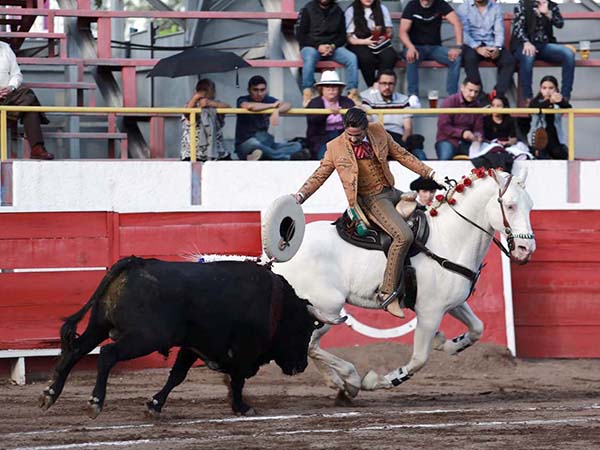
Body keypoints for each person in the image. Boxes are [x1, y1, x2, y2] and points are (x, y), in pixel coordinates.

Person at [293, 107, 446, 314]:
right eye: (350, 135)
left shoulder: (379, 132)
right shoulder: (335, 147)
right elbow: (319, 175)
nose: (354, 140)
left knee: (426, 217)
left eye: (358, 135)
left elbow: (402, 155)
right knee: (403, 235)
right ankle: (387, 291)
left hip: (392, 191)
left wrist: (430, 173)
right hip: (369, 199)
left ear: (366, 128)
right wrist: (300, 196)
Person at [296, 0, 361, 106]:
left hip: (332, 47)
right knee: (310, 58)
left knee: (352, 58)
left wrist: (332, 46)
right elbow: (300, 35)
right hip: (312, 46)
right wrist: (318, 46)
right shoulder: (307, 9)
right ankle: (308, 92)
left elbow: (342, 36)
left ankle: (352, 92)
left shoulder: (338, 11)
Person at [511, 0, 574, 105]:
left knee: (568, 54)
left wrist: (547, 13)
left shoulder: (551, 5)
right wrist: (526, 42)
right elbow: (518, 28)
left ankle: (564, 97)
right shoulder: (523, 4)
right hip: (524, 45)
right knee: (528, 55)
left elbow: (560, 23)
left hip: (544, 45)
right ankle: (528, 99)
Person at [400, 0, 463, 100]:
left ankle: (452, 97)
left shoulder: (440, 3)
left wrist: (458, 47)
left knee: (456, 59)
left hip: (434, 48)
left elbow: (457, 23)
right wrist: (410, 47)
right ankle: (413, 96)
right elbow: (403, 32)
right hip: (415, 47)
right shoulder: (412, 5)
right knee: (411, 57)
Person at [0, 41, 53, 160]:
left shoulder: (5, 48)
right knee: (29, 102)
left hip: (6, 96)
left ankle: (36, 149)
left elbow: (17, 74)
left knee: (28, 97)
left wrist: (10, 87)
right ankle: (37, 147)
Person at [235, 75, 306, 161]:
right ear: (249, 90)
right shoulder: (242, 99)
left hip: (266, 142)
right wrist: (272, 106)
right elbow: (249, 106)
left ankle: (261, 155)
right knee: (254, 143)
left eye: (262, 90)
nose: (259, 93)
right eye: (255, 90)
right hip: (245, 144)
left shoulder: (268, 99)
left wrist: (276, 111)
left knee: (296, 146)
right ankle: (286, 157)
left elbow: (287, 105)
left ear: (266, 90)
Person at [360, 69, 427, 160]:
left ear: (395, 84)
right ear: (378, 84)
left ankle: (427, 173)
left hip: (397, 138)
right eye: (383, 83)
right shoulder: (369, 99)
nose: (387, 87)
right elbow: (368, 123)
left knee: (417, 142)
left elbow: (408, 128)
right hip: (377, 138)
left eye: (390, 84)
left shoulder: (403, 100)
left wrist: (400, 147)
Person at [457, 0, 516, 100]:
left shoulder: (496, 7)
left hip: (491, 43)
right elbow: (464, 34)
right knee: (469, 58)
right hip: (472, 45)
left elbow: (499, 31)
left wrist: (498, 47)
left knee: (509, 61)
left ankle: (498, 95)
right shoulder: (463, 8)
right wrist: (477, 48)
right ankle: (480, 96)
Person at [344, 0, 398, 88]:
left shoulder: (382, 8)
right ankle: (371, 85)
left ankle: (379, 83)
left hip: (378, 41)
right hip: (358, 42)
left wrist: (385, 37)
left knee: (390, 56)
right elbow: (348, 37)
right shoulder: (351, 10)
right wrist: (364, 41)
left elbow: (389, 31)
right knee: (366, 58)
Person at [306, 71, 355, 159]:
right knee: (325, 156)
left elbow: (353, 119)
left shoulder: (347, 101)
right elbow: (313, 120)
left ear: (339, 89)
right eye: (327, 86)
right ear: (321, 89)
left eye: (334, 86)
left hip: (345, 137)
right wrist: (327, 113)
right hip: (321, 139)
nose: (331, 89)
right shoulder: (314, 103)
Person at [181, 78, 230, 161]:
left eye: (206, 89)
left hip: (217, 151)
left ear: (213, 92)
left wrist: (209, 103)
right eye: (200, 89)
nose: (203, 92)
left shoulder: (216, 105)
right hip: (193, 153)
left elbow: (228, 108)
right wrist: (196, 98)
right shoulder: (191, 104)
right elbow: (187, 113)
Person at [435, 77, 484, 160]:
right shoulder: (449, 101)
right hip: (447, 140)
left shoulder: (477, 105)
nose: (473, 94)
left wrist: (478, 136)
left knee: (480, 158)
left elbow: (479, 128)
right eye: (470, 90)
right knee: (445, 158)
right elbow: (443, 126)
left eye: (476, 92)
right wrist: (462, 133)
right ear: (462, 87)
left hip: (468, 142)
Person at [525, 75, 570, 159]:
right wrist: (550, 101)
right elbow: (536, 108)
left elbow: (568, 107)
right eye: (544, 88)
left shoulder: (558, 102)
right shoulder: (535, 102)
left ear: (556, 89)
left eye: (551, 88)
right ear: (540, 89)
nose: (547, 91)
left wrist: (560, 100)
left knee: (564, 154)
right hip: (538, 141)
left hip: (555, 140)